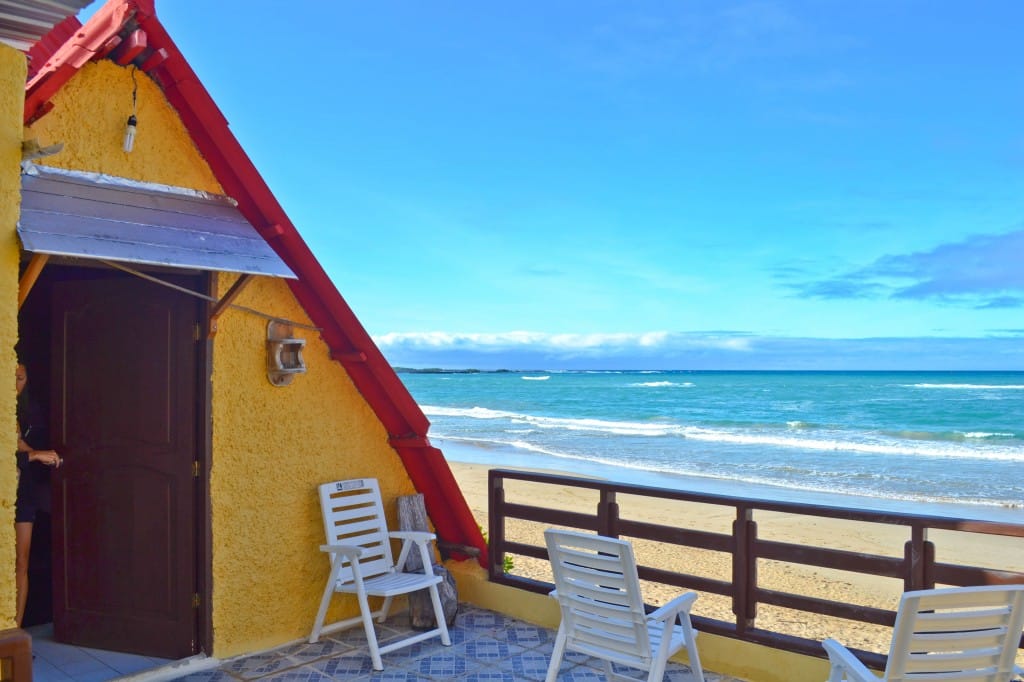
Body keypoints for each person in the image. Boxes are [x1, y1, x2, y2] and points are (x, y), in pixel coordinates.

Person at [14, 362, 60, 628]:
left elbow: (21, 447)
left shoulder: (29, 410)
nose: (15, 384)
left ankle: (16, 633)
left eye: (20, 378)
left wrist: (32, 453)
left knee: (22, 560)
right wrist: (32, 455)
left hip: (25, 493)